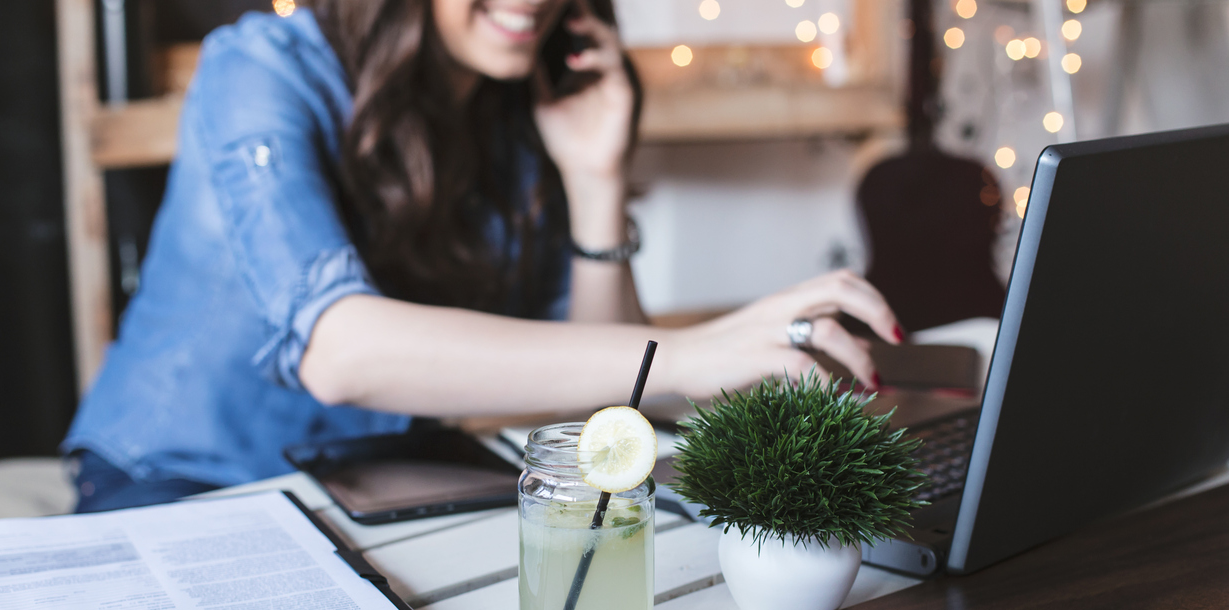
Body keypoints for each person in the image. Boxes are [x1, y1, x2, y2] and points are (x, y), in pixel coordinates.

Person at [63, 0, 905, 512]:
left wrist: (594, 175)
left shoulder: (519, 104)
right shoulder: (256, 68)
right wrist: (686, 354)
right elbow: (339, 353)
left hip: (382, 483)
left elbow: (608, 388)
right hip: (185, 482)